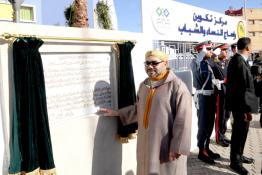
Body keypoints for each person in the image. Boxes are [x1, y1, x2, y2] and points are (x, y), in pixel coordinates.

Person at [99, 50, 192, 175]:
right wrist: (117, 113)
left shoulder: (177, 87)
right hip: (146, 143)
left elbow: (184, 120)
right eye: (147, 63)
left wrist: (177, 147)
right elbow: (139, 110)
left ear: (165, 63)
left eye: (154, 63)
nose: (150, 66)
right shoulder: (144, 86)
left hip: (166, 145)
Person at [226, 37, 258, 175]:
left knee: (242, 133)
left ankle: (239, 155)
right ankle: (235, 162)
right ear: (247, 48)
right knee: (239, 133)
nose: (252, 49)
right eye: (251, 46)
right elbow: (243, 89)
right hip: (240, 106)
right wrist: (247, 110)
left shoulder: (239, 60)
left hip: (240, 105)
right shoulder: (239, 62)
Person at [193, 41, 221, 164]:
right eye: (208, 49)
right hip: (203, 98)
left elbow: (211, 79)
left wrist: (218, 84)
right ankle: (201, 151)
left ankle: (207, 148)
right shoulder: (196, 62)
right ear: (201, 50)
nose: (211, 51)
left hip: (210, 97)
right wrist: (201, 54)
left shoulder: (206, 63)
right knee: (203, 125)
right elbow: (198, 67)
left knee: (209, 124)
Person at [212, 44, 231, 147]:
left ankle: (223, 134)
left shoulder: (226, 62)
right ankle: (219, 137)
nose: (226, 52)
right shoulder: (214, 63)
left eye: (226, 50)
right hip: (220, 92)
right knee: (220, 115)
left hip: (228, 91)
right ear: (218, 51)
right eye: (223, 50)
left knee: (227, 114)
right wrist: (214, 55)